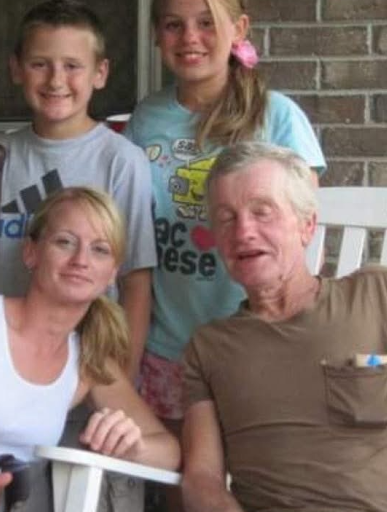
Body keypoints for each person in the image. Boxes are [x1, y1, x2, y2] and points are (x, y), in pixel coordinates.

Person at [182, 141, 387, 512]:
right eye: (226, 218)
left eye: (262, 213)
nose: (244, 231)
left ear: (307, 226)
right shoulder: (209, 347)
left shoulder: (383, 299)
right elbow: (202, 477)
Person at [124, 0, 326, 432]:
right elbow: (134, 236)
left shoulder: (277, 116)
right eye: (173, 25)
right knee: (175, 467)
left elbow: (301, 236)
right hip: (170, 342)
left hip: (257, 342)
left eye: (206, 23)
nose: (190, 38)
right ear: (156, 34)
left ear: (239, 29)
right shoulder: (147, 118)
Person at [0, 187, 180, 512]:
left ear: (112, 274)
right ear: (31, 253)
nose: (81, 260)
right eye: (65, 242)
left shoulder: (87, 359)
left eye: (99, 250)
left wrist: (132, 445)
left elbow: (169, 452)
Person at [0, 0, 154, 381]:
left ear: (100, 73)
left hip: (88, 364)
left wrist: (123, 378)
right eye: (40, 64)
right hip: (3, 358)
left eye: (72, 66)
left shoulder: (121, 161)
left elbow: (136, 281)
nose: (55, 80)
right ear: (16, 68)